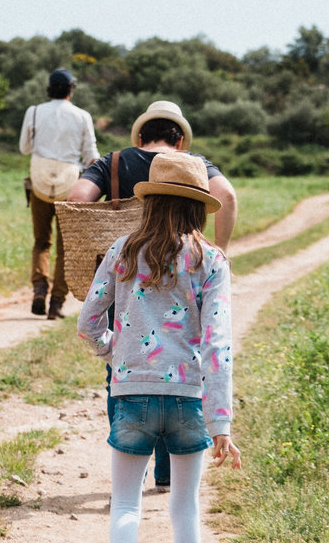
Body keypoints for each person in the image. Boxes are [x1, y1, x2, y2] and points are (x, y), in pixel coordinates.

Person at [74, 152, 243, 543]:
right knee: (183, 506)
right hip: (189, 396)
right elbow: (218, 345)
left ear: (150, 203)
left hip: (130, 394)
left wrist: (115, 352)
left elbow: (87, 322)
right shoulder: (211, 260)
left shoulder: (122, 251)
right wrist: (222, 422)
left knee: (126, 503)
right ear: (198, 209)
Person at [63, 99, 240, 491]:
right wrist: (218, 248)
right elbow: (226, 196)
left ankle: (133, 460)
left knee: (126, 373)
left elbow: (76, 198)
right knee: (175, 363)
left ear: (141, 135)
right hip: (186, 318)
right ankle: (165, 474)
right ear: (179, 140)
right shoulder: (193, 167)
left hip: (127, 283)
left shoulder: (111, 164)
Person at [19, 68, 98, 318]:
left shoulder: (34, 112)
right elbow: (91, 156)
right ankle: (56, 303)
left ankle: (39, 289)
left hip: (40, 182)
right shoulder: (82, 116)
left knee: (42, 241)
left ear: (48, 88)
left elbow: (24, 148)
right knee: (65, 248)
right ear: (71, 89)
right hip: (69, 185)